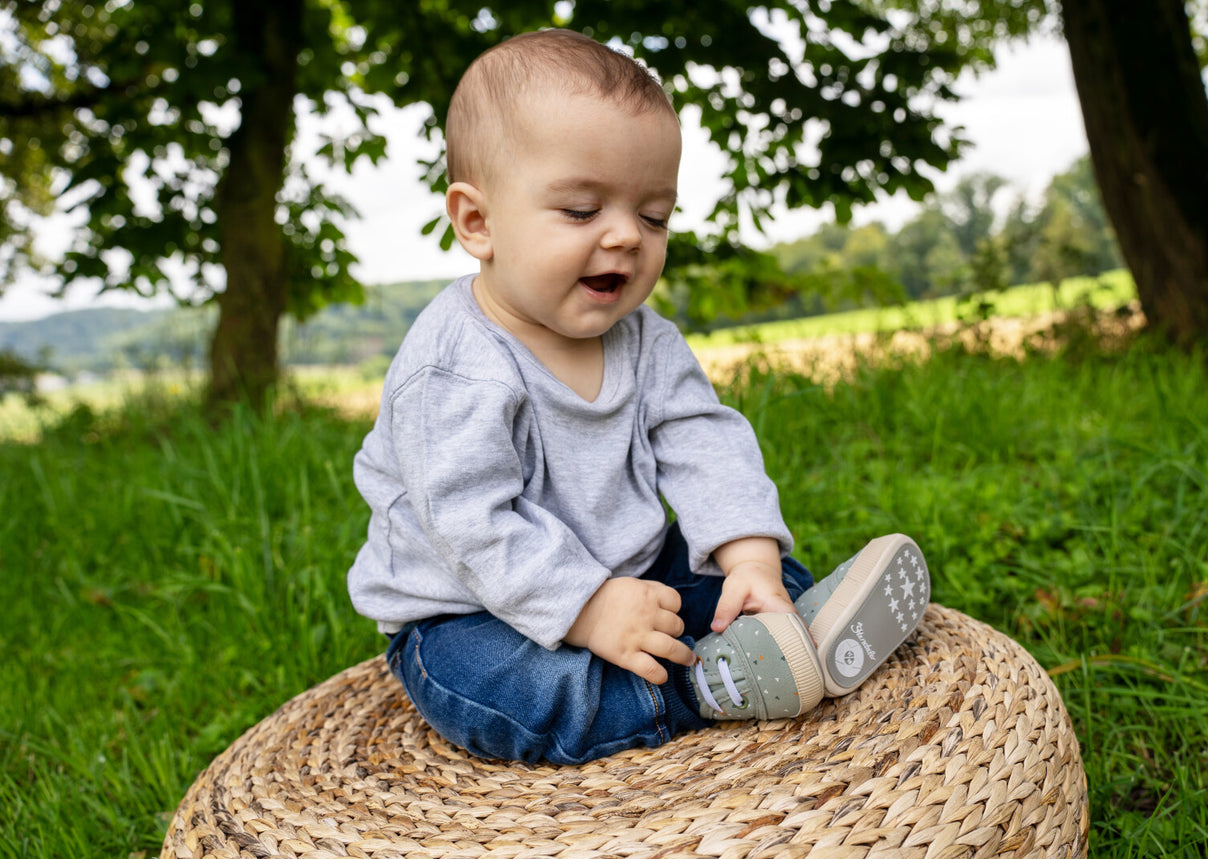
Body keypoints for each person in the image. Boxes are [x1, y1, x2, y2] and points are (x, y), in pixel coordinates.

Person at [347, 28, 930, 765]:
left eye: (653, 216)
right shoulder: (454, 368)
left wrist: (747, 556)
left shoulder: (644, 339)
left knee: (749, 575)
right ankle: (699, 688)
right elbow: (471, 524)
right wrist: (588, 607)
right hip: (470, 609)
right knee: (507, 689)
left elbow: (702, 439)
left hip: (629, 574)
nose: (626, 236)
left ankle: (785, 625)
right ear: (477, 222)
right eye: (582, 210)